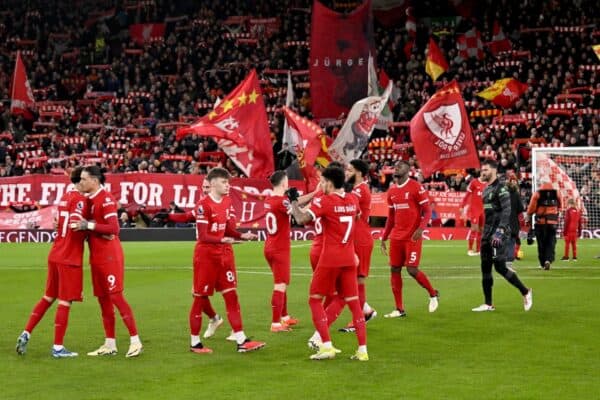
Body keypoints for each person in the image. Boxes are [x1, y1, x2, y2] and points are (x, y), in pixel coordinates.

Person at [290, 165, 368, 361]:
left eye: (323, 182)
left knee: (314, 299)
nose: (321, 185)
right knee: (353, 302)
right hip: (350, 258)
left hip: (330, 258)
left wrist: (292, 202)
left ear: (330, 183)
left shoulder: (326, 201)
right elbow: (357, 216)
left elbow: (300, 219)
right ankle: (362, 350)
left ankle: (326, 345)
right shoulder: (352, 199)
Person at [188, 167, 265, 353]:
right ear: (213, 183)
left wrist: (242, 235)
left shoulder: (227, 202)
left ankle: (241, 340)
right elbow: (204, 236)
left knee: (231, 295)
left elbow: (229, 230)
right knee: (200, 298)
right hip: (206, 256)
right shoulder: (203, 205)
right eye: (224, 182)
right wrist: (222, 239)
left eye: (228, 182)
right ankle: (195, 343)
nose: (227, 186)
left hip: (223, 256)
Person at [16, 167, 89, 358]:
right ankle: (58, 347)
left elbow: (59, 221)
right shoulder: (79, 200)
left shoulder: (65, 197)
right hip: (69, 256)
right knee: (65, 301)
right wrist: (90, 228)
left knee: (48, 297)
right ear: (80, 181)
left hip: (55, 253)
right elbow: (75, 223)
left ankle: (26, 333)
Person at [73, 165, 143, 357]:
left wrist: (89, 225)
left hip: (110, 256)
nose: (81, 183)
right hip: (96, 256)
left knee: (116, 297)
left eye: (84, 179)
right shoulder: (90, 201)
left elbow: (114, 229)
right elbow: (90, 228)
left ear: (94, 181)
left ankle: (135, 341)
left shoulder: (106, 199)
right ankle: (110, 344)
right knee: (103, 299)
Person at [380, 160, 439, 318]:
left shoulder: (415, 187)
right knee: (394, 269)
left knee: (412, 270)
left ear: (408, 170)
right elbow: (391, 218)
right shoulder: (392, 191)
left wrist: (421, 228)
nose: (397, 167)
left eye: (401, 165)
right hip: (396, 237)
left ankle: (433, 294)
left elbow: (427, 211)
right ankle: (399, 309)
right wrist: (384, 237)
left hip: (412, 236)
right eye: (396, 165)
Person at [472, 160, 533, 312]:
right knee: (485, 268)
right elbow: (489, 215)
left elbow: (507, 211)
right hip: (486, 235)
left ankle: (525, 291)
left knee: (499, 267)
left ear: (493, 170)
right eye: (482, 170)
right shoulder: (486, 191)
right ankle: (488, 304)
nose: (482, 173)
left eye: (485, 170)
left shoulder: (502, 188)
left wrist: (499, 232)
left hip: (498, 235)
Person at [339, 159, 376, 332]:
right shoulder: (354, 189)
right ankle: (366, 311)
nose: (346, 173)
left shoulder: (361, 190)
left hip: (360, 240)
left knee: (356, 280)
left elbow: (349, 209)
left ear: (359, 173)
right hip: (353, 239)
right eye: (346, 169)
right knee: (348, 280)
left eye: (350, 170)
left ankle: (358, 318)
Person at [264, 170, 298, 332]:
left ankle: (284, 317)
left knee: (281, 281)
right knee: (280, 284)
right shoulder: (282, 201)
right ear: (284, 183)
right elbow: (298, 214)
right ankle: (276, 323)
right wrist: (314, 196)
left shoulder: (269, 199)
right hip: (280, 248)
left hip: (270, 246)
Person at [526, 181, 561, 270]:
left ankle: (542, 263)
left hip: (540, 223)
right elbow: (561, 205)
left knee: (541, 243)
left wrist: (529, 214)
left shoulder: (537, 194)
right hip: (552, 222)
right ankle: (548, 260)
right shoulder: (557, 193)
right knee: (551, 242)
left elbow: (531, 209)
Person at [460, 171, 487, 256]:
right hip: (475, 210)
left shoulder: (487, 184)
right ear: (480, 174)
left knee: (481, 230)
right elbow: (467, 195)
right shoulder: (474, 182)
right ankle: (470, 249)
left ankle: (478, 250)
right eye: (484, 174)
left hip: (483, 210)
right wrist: (462, 205)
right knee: (474, 229)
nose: (485, 176)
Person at [506, 174, 525, 270]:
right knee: (511, 242)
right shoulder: (516, 194)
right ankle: (508, 264)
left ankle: (500, 261)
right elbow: (520, 209)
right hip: (513, 222)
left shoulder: (502, 193)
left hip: (502, 222)